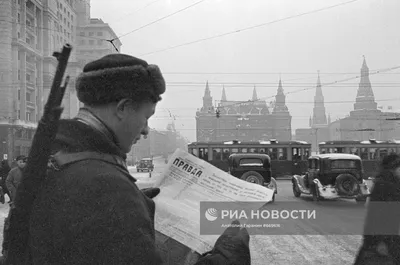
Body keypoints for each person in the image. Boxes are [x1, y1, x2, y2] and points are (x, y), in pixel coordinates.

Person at [26, 54, 250, 264]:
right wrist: (227, 259)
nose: (146, 130)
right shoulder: (105, 186)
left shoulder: (61, 159)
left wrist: (130, 207)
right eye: (146, 116)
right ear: (123, 108)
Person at [354, 153, 400, 264]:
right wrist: (380, 241)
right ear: (394, 168)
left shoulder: (390, 183)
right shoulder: (385, 186)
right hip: (384, 241)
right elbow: (376, 216)